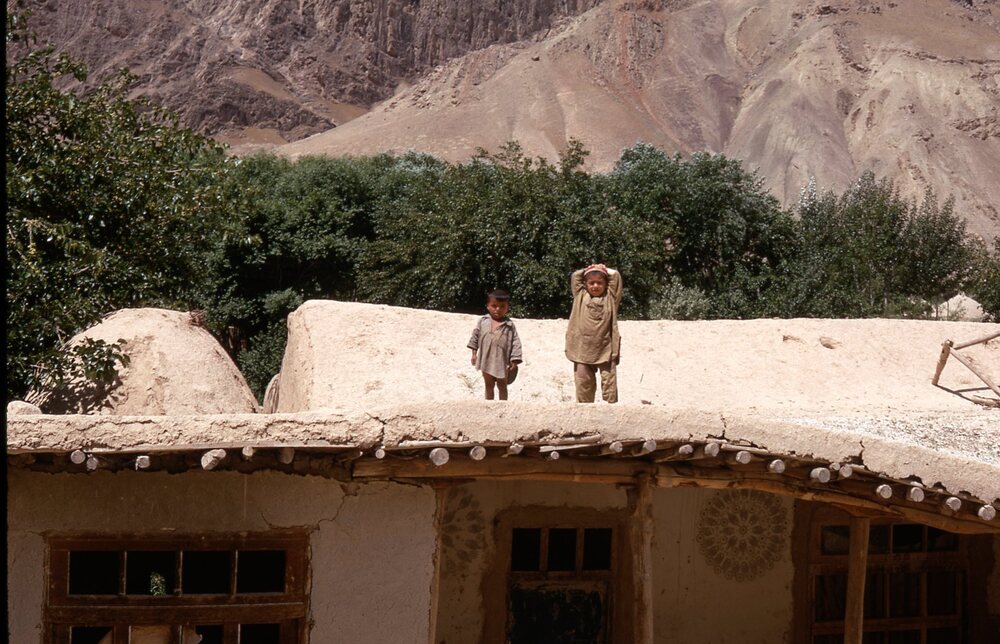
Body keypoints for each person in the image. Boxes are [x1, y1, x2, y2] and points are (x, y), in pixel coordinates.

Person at [565, 263, 622, 403]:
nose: (595, 286)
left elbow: (616, 277)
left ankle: (610, 411)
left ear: (606, 284)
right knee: (584, 383)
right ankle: (585, 412)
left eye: (599, 283)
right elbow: (575, 277)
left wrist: (603, 269)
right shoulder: (580, 295)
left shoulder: (611, 297)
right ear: (585, 284)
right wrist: (587, 269)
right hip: (582, 350)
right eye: (591, 283)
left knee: (609, 383)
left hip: (605, 349)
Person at [468, 289, 523, 400]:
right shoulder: (483, 321)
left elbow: (516, 342)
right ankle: (489, 406)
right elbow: (475, 337)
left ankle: (503, 405)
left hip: (502, 361)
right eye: (494, 306)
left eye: (502, 306)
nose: (498, 309)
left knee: (502, 385)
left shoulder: (509, 325)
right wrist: (474, 354)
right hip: (486, 359)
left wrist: (515, 360)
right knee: (489, 385)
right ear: (487, 306)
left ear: (508, 307)